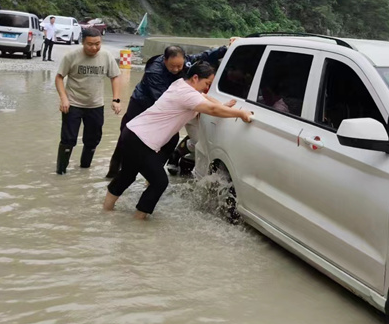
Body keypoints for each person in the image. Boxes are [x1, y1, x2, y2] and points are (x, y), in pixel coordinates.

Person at [103, 61, 254, 219]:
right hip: (140, 140)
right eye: (207, 83)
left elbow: (207, 99)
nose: (206, 87)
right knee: (159, 182)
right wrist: (240, 113)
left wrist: (225, 106)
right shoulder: (187, 94)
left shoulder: (180, 84)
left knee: (127, 174)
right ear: (195, 78)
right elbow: (212, 109)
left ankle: (106, 211)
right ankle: (138, 220)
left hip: (132, 133)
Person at [105, 39, 238, 178]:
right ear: (164, 60)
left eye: (179, 66)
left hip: (167, 103)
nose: (176, 70)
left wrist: (228, 47)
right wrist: (197, 105)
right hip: (143, 103)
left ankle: (153, 173)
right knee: (126, 139)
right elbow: (166, 102)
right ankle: (114, 173)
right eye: (172, 66)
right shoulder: (154, 72)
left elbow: (206, 55)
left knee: (171, 139)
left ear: (184, 59)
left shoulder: (186, 61)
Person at [55, 27, 122, 174]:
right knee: (68, 140)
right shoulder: (71, 56)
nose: (94, 47)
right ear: (82, 42)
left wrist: (116, 99)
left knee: (93, 140)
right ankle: (60, 172)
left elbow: (115, 76)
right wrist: (63, 98)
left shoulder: (106, 56)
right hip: (72, 103)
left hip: (95, 104)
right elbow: (59, 77)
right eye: (90, 44)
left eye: (97, 44)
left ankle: (84, 169)